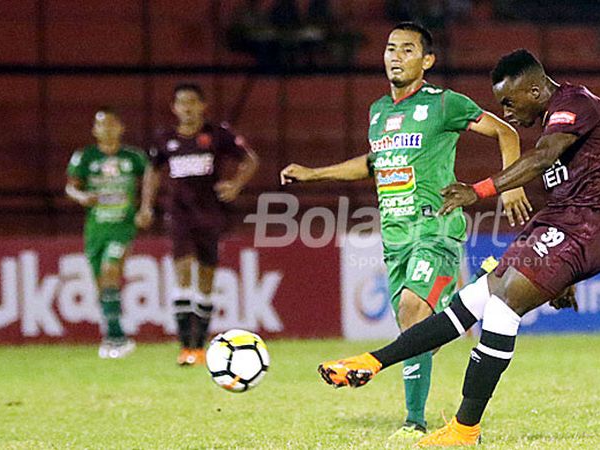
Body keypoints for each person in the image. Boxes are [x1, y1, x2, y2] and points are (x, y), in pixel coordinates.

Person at [317, 48, 600, 446]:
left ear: (535, 90)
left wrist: (478, 190)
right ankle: (371, 362)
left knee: (502, 306)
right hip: (564, 225)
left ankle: (465, 429)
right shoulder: (556, 115)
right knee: (471, 301)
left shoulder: (575, 104)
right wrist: (562, 273)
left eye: (508, 101)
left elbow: (542, 158)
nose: (506, 110)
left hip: (589, 226)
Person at [280, 22, 531, 440]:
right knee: (413, 330)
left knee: (414, 311)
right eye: (391, 48)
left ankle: (413, 422)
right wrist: (313, 174)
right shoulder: (378, 111)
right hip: (395, 237)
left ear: (427, 60)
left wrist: (511, 185)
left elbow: (505, 131)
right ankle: (454, 321)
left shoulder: (444, 103)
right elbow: (373, 163)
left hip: (436, 228)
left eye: (407, 50)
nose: (396, 56)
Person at [137, 83, 259, 366]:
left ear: (202, 106)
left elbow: (250, 160)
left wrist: (236, 185)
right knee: (182, 273)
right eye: (182, 103)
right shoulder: (164, 139)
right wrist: (145, 206)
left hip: (210, 215)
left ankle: (199, 346)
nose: (187, 108)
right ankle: (185, 346)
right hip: (179, 215)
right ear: (174, 108)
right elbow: (152, 173)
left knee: (205, 278)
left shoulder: (217, 135)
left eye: (192, 102)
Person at [66, 107, 148, 359]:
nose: (108, 129)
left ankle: (117, 337)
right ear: (95, 130)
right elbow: (71, 187)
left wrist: (145, 208)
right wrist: (82, 197)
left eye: (112, 124)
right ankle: (114, 336)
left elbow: (150, 180)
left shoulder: (134, 157)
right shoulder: (85, 157)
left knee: (110, 270)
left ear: (121, 128)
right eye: (102, 125)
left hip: (122, 226)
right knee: (102, 285)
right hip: (96, 228)